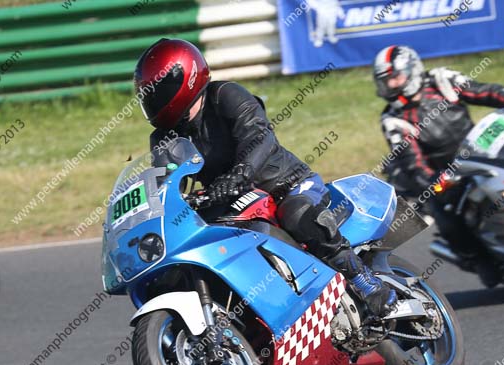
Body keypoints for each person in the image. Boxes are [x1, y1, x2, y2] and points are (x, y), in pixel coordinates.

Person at [134, 38, 396, 318]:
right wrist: (144, 212)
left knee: (298, 216)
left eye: (157, 92)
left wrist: (241, 173)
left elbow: (259, 136)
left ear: (186, 79)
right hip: (232, 201)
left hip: (288, 184)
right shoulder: (164, 137)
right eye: (147, 94)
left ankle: (365, 283)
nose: (152, 100)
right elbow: (164, 181)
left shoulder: (225, 95)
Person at [372, 45, 504, 285]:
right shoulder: (393, 118)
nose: (392, 85)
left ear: (412, 70)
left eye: (395, 77)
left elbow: (485, 92)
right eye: (386, 81)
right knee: (443, 209)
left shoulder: (441, 80)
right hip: (444, 174)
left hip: (480, 150)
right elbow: (411, 161)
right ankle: (477, 257)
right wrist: (433, 182)